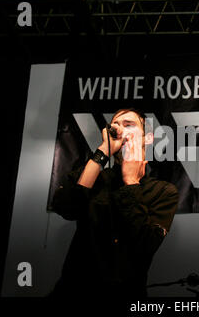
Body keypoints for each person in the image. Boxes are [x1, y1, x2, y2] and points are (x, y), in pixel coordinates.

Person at [49, 108, 179, 298]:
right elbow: (65, 207)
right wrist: (103, 152)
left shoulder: (163, 192)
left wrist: (131, 182)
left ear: (148, 138)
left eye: (129, 125)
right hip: (72, 290)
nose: (119, 129)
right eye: (115, 125)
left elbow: (145, 246)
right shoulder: (95, 177)